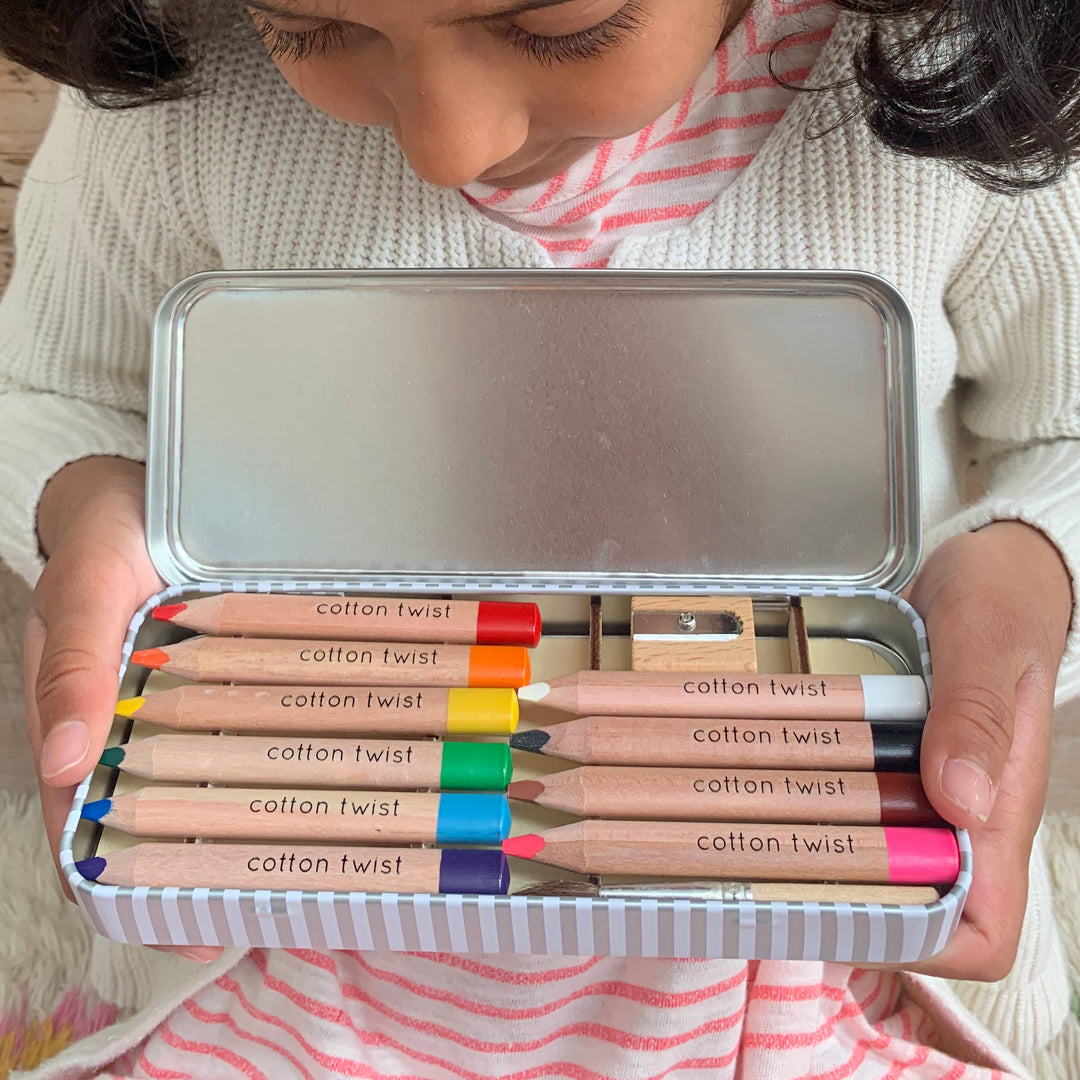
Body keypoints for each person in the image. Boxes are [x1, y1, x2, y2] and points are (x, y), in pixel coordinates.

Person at [1, 0, 1078, 1076]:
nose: (446, 145)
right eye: (311, 29)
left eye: (563, 30)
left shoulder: (968, 92)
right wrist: (91, 510)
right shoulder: (171, 74)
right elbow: (56, 387)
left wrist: (1030, 562)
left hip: (829, 952)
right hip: (274, 950)